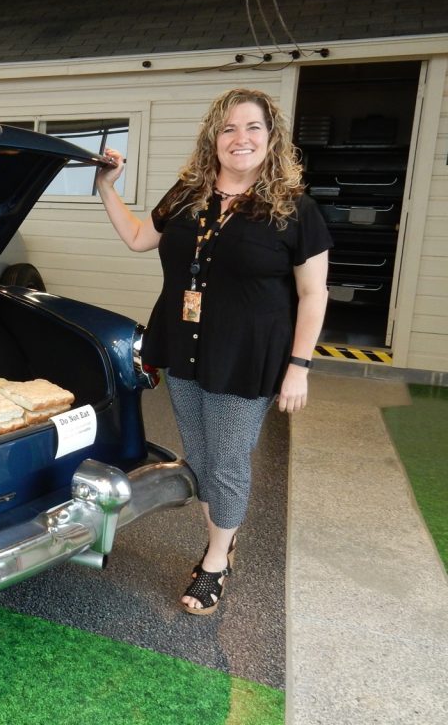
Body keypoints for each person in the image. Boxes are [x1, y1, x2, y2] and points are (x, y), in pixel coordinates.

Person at [95, 88, 332, 615]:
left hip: (247, 359)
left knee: (225, 462)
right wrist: (106, 186)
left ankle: (216, 561)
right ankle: (225, 534)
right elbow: (138, 238)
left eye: (253, 128)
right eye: (228, 128)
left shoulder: (296, 210)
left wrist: (300, 367)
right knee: (200, 457)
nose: (240, 138)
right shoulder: (187, 193)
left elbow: (314, 293)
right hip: (185, 348)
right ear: (213, 138)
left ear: (272, 140)